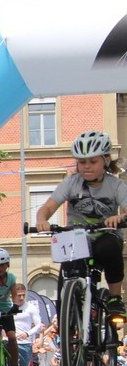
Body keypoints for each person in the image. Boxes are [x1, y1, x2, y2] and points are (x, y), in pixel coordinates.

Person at [35, 129, 127, 319]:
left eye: (93, 161)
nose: (87, 166)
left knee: (109, 247)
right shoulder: (71, 183)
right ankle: (68, 314)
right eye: (82, 162)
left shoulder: (115, 185)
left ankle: (115, 297)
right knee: (67, 266)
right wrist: (42, 220)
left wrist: (119, 218)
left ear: (106, 160)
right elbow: (48, 207)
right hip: (77, 238)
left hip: (104, 236)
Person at [11, 283, 44, 366]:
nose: (21, 298)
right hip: (11, 341)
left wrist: (27, 334)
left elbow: (39, 325)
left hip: (25, 342)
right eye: (18, 295)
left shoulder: (30, 308)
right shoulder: (7, 306)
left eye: (23, 295)